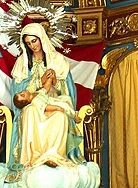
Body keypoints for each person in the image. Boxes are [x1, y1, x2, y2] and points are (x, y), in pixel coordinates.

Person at [8, 22, 84, 170]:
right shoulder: (22, 63)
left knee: (61, 117)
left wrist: (54, 80)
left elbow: (68, 90)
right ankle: (32, 158)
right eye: (28, 43)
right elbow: (18, 92)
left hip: (53, 102)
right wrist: (39, 83)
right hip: (34, 107)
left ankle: (53, 156)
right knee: (30, 112)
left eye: (34, 41)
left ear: (42, 38)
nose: (32, 46)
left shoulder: (57, 60)